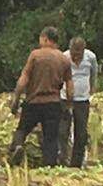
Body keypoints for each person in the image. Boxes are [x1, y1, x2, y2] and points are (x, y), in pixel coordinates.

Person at [8, 28, 74, 167]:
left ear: (45, 39)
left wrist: (16, 99)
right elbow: (69, 85)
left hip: (34, 102)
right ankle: (49, 168)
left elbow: (24, 79)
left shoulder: (35, 55)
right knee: (51, 138)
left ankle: (17, 147)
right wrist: (68, 105)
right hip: (53, 104)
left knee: (22, 129)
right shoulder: (64, 59)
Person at [60, 37, 97, 168]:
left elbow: (93, 74)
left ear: (83, 50)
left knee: (81, 133)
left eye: (78, 54)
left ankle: (76, 164)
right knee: (62, 131)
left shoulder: (90, 57)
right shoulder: (64, 57)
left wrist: (92, 88)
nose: (75, 57)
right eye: (73, 53)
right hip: (65, 99)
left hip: (82, 101)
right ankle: (62, 160)